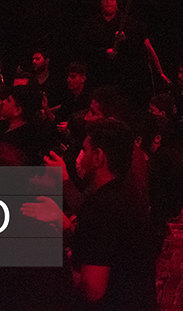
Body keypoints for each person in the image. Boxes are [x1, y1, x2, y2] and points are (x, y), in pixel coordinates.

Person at [71, 118, 158, 310]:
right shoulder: (129, 191)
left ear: (98, 157)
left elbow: (93, 290)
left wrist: (58, 269)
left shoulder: (101, 207)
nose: (81, 157)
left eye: (85, 150)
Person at [80, 0, 168, 109]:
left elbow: (141, 47)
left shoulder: (128, 22)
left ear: (117, 3)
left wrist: (125, 40)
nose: (108, 2)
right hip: (99, 75)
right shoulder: (92, 24)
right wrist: (104, 52)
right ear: (100, 3)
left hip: (123, 77)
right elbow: (85, 48)